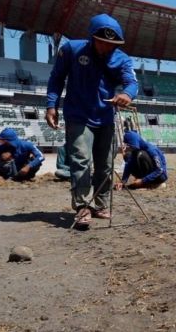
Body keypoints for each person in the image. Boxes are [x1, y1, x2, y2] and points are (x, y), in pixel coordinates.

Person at [46, 13, 138, 228]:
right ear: (92, 38)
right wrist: (52, 105)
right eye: (103, 43)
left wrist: (127, 95)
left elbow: (132, 82)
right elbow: (56, 78)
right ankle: (82, 206)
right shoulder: (71, 49)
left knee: (105, 165)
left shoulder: (122, 59)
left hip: (105, 116)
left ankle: (101, 203)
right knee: (81, 160)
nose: (107, 48)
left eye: (112, 44)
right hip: (77, 115)